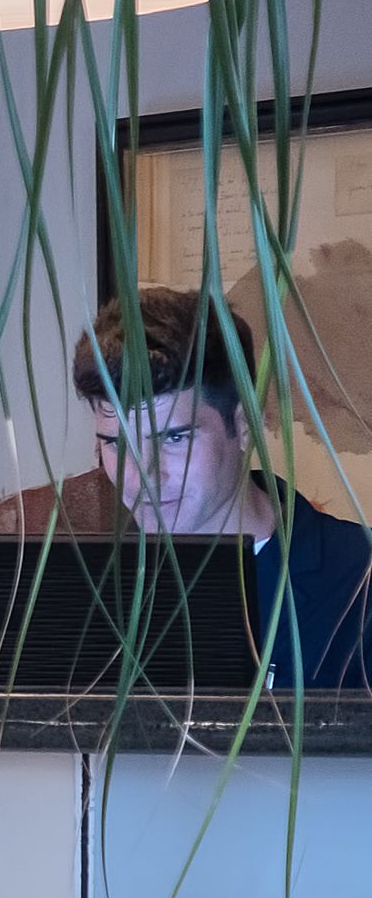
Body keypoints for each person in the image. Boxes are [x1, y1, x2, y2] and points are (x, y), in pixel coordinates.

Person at [72, 285, 372, 690]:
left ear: (244, 426)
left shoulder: (361, 580)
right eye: (116, 444)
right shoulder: (83, 590)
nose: (142, 478)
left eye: (173, 438)